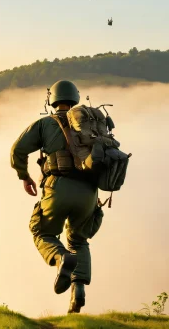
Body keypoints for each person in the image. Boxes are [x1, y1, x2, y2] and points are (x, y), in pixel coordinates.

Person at [10, 80, 101, 314]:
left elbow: (17, 150)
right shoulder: (93, 125)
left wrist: (24, 176)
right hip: (89, 192)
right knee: (79, 240)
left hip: (58, 187)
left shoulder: (45, 124)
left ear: (53, 100)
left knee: (41, 231)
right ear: (75, 99)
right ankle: (77, 293)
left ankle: (61, 259)